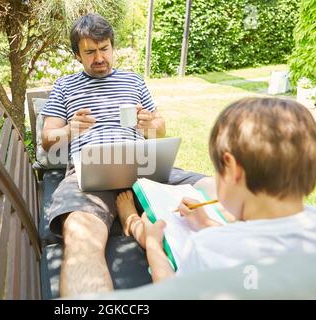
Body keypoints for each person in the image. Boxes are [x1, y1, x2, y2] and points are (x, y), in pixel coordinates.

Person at [41, 13, 210, 297]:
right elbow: (48, 140)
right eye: (90, 52)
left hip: (142, 162)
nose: (99, 58)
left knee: (212, 188)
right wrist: (70, 130)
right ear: (77, 55)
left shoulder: (134, 81)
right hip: (89, 171)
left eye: (104, 48)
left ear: (113, 47)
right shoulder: (64, 87)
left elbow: (159, 127)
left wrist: (150, 125)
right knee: (81, 235)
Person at [116, 97, 316, 283]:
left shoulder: (208, 248)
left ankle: (132, 222)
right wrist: (206, 223)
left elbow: (171, 292)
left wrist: (153, 246)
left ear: (232, 169)